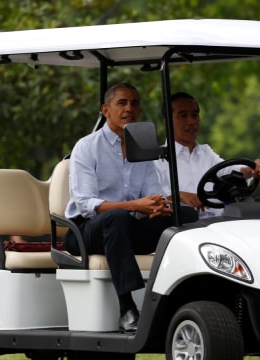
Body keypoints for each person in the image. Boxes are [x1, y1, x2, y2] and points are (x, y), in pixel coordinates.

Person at [64, 83, 198, 333]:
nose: (129, 109)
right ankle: (127, 307)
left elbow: (150, 193)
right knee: (117, 217)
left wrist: (157, 207)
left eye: (134, 104)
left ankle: (184, 298)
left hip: (123, 230)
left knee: (186, 214)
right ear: (105, 109)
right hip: (84, 232)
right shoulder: (87, 146)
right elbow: (85, 204)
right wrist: (134, 206)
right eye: (122, 103)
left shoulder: (143, 148)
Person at [155, 92, 260, 218]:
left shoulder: (206, 153)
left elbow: (229, 170)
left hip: (218, 224)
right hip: (182, 229)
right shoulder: (157, 160)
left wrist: (251, 169)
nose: (191, 121)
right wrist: (177, 196)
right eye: (183, 116)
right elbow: (155, 202)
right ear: (168, 122)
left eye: (194, 115)